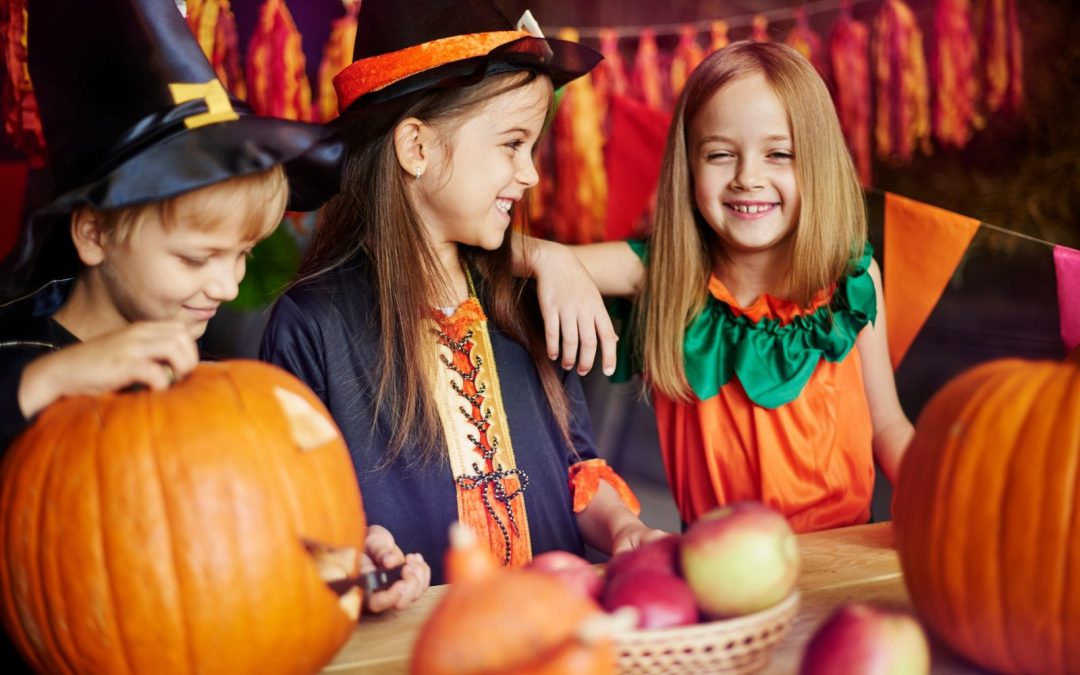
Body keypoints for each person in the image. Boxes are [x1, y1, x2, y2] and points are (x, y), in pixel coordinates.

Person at [0, 0, 428, 621]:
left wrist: (333, 566)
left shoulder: (198, 372)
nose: (227, 287)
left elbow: (208, 549)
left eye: (243, 256)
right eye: (197, 258)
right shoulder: (21, 354)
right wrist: (52, 380)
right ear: (93, 234)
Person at [261, 0, 667, 584]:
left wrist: (623, 528)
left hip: (551, 633)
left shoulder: (527, 300)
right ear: (416, 149)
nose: (529, 173)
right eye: (511, 144)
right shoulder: (313, 325)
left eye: (532, 149)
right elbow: (296, 518)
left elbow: (579, 466)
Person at [523, 41, 914, 533]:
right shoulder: (660, 273)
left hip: (845, 553)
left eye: (779, 154)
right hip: (716, 566)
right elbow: (498, 255)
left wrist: (937, 485)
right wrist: (548, 255)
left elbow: (888, 426)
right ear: (688, 167)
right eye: (721, 154)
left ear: (816, 162)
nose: (748, 178)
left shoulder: (850, 277)